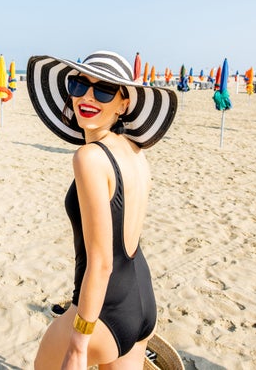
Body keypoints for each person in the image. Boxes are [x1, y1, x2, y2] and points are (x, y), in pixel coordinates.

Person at [27, 51, 178, 369]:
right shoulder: (135, 151)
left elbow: (102, 263)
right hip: (142, 301)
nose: (88, 96)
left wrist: (79, 344)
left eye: (105, 90)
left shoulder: (89, 158)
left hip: (103, 313)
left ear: (124, 103)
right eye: (79, 84)